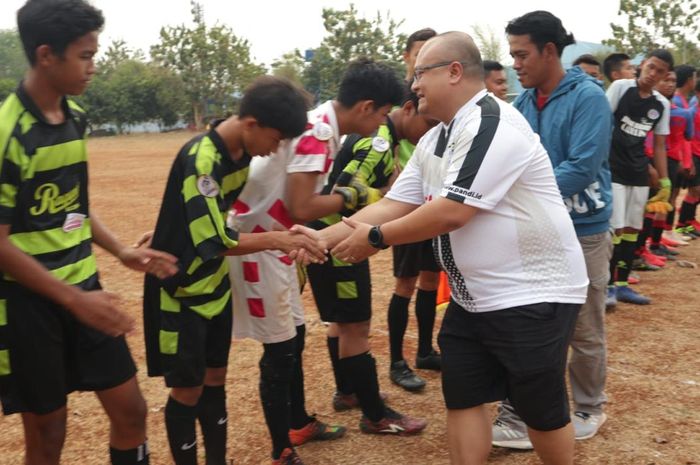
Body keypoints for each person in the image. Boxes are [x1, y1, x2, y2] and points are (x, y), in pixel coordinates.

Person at [310, 30, 588, 465]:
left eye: (420, 72)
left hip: (531, 294)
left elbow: (453, 211)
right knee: (462, 397)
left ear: (455, 72)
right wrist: (324, 237)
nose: (413, 84)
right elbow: (393, 202)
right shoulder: (436, 137)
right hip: (472, 298)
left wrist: (376, 240)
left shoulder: (491, 124)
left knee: (540, 410)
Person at [0, 1, 179, 464]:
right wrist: (72, 299)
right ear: (46, 55)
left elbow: (73, 207)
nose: (93, 67)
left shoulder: (75, 118)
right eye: (85, 56)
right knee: (48, 434)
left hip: (86, 292)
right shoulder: (9, 134)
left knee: (132, 412)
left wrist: (120, 251)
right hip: (28, 306)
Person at [226, 59, 407, 464]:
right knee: (279, 349)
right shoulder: (320, 134)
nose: (382, 123)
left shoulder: (319, 125)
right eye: (382, 114)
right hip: (260, 247)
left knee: (293, 336)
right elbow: (303, 206)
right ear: (366, 106)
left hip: (277, 246)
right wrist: (361, 197)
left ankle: (298, 422)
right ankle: (282, 449)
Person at [143, 76, 327, 465]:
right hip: (181, 293)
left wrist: (172, 227)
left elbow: (213, 218)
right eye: (276, 140)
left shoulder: (241, 156)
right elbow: (213, 241)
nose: (275, 150)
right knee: (187, 392)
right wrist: (278, 240)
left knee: (215, 381)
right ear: (251, 124)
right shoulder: (202, 159)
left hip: (215, 288)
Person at [489, 11, 613, 450]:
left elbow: (582, 166)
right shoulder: (520, 106)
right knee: (530, 324)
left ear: (549, 51)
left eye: (521, 55)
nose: (515, 65)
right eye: (511, 56)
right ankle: (521, 411)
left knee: (583, 325)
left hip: (583, 229)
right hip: (536, 230)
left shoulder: (589, 98)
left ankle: (588, 407)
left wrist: (518, 196)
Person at [287, 60, 428, 437]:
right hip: (340, 243)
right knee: (356, 326)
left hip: (321, 241)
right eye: (427, 124)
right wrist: (374, 210)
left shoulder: (367, 136)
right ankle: (375, 414)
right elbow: (347, 199)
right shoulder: (379, 143)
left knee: (341, 322)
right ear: (405, 110)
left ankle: (348, 392)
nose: (427, 133)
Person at [388, 27, 442, 393]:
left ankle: (425, 350)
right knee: (405, 282)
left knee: (430, 278)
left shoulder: (437, 101)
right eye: (419, 53)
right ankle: (396, 361)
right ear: (407, 56)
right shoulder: (399, 106)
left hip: (433, 205)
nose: (424, 62)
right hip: (407, 205)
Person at [606, 49, 674, 306]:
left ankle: (623, 285)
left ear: (665, 75)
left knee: (634, 230)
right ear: (642, 64)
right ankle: (608, 286)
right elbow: (602, 124)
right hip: (613, 170)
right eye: (651, 67)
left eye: (660, 72)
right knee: (617, 228)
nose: (652, 74)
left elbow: (658, 145)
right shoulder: (621, 88)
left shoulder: (661, 104)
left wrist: (665, 181)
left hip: (638, 173)